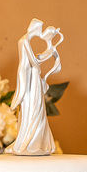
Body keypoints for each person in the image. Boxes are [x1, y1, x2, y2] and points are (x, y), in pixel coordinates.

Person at [11, 19, 63, 155]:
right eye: (40, 29)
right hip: (29, 76)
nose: (41, 32)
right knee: (32, 106)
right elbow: (34, 62)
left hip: (32, 75)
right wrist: (49, 52)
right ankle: (29, 142)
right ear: (35, 28)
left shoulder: (25, 41)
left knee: (36, 106)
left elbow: (35, 60)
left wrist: (50, 51)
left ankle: (37, 141)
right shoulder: (24, 41)